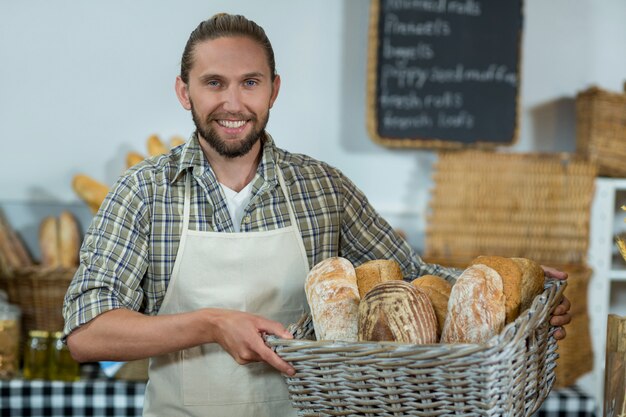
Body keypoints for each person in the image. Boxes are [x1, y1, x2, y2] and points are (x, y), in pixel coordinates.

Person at [63, 13, 571, 417]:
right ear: (184, 91)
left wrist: (514, 301)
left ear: (274, 90)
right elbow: (87, 333)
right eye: (214, 83)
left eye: (250, 82)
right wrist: (213, 324)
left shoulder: (323, 188)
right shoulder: (143, 192)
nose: (233, 102)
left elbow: (417, 279)